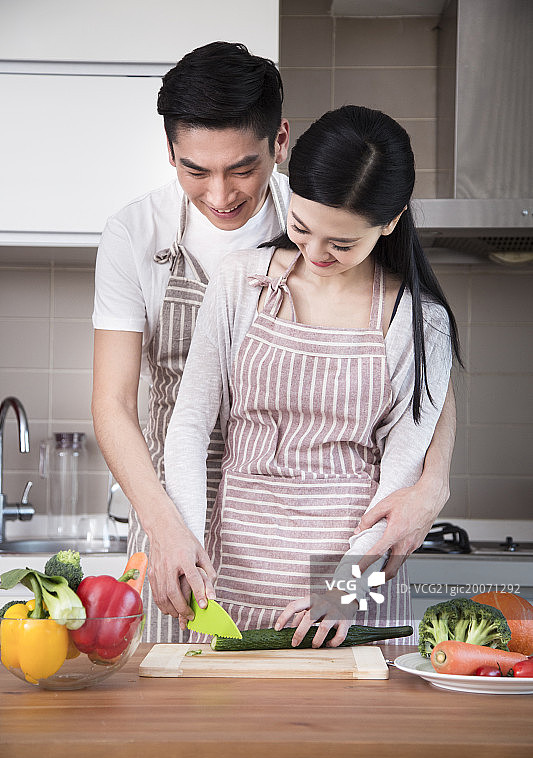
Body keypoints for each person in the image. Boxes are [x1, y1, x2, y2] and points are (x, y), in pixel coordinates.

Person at [91, 39, 455, 644]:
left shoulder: (325, 195)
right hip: (182, 507)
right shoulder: (152, 240)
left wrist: (431, 484)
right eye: (195, 171)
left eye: (242, 170)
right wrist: (170, 527)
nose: (220, 195)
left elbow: (424, 407)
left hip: (347, 561)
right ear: (170, 152)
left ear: (279, 143)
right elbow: (122, 405)